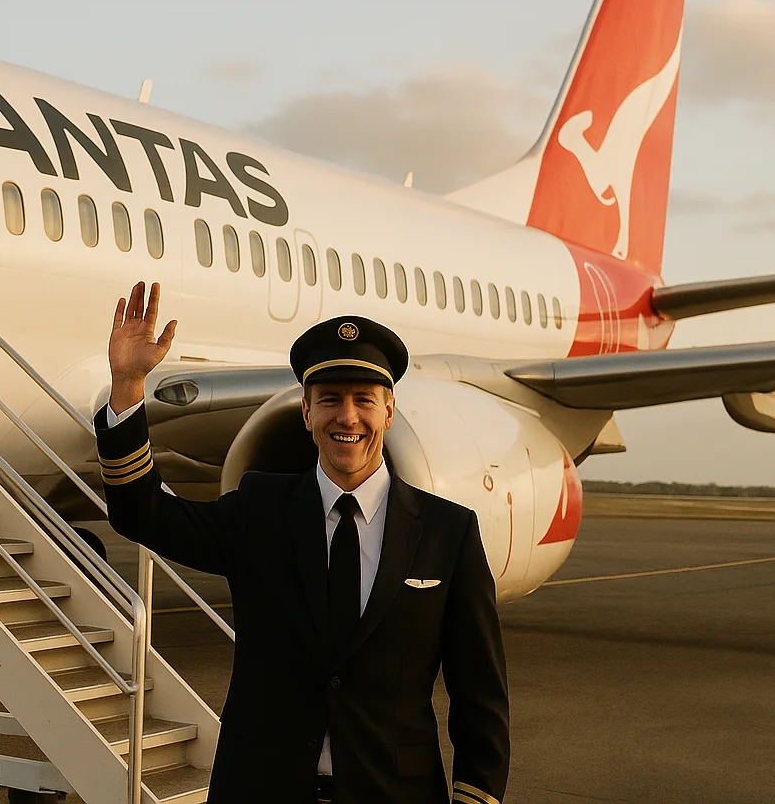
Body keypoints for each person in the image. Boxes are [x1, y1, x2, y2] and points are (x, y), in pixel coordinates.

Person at [99, 282, 508, 804]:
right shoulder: (259, 510)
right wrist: (128, 385)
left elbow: (480, 697)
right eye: (330, 400)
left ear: (389, 411)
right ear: (307, 413)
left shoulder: (448, 532)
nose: (347, 417)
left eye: (364, 400)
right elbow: (142, 513)